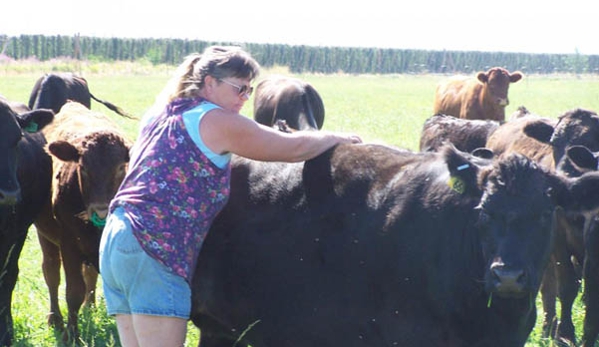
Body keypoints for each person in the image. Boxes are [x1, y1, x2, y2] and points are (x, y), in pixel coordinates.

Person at [99, 45, 362, 347]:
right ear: (209, 83)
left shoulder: (161, 112)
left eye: (249, 91)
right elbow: (291, 148)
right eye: (239, 89)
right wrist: (339, 138)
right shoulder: (216, 120)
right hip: (155, 245)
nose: (244, 100)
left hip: (117, 240)